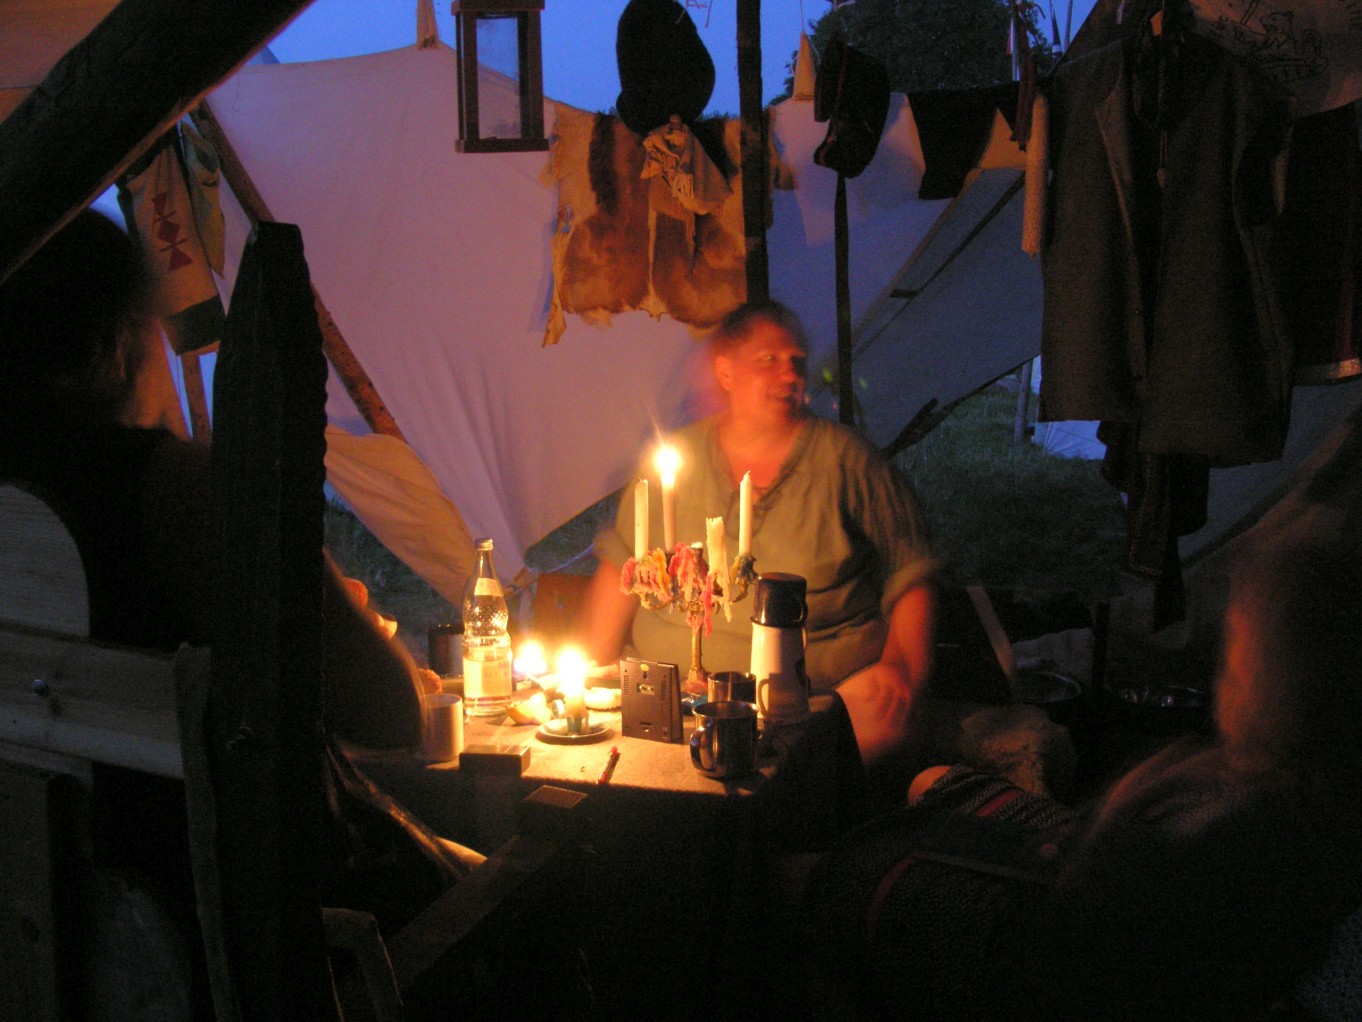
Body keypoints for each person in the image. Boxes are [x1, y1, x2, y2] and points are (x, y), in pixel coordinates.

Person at [801, 535, 1362, 1021]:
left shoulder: (1234, 847)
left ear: (1286, 686)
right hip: (1070, 863)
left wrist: (1131, 799)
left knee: (825, 876)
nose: (1224, 675)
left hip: (1031, 922)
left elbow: (1078, 919)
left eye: (1238, 659)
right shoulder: (1284, 788)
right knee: (933, 779)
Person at [583, 299, 937, 759]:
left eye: (796, 362)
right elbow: (620, 571)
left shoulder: (845, 461)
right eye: (769, 360)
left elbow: (912, 574)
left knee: (864, 727)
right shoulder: (674, 461)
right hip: (668, 701)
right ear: (725, 372)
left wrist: (900, 669)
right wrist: (587, 675)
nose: (789, 375)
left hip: (817, 705)